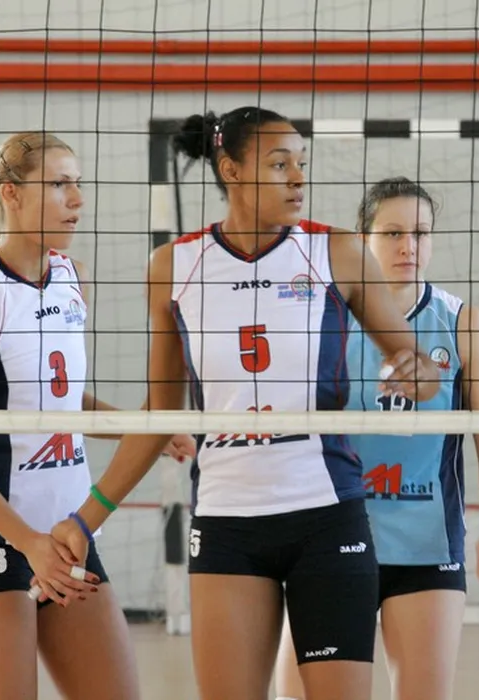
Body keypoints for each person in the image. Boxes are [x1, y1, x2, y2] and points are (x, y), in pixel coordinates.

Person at [50, 107, 443, 700]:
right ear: (230, 170)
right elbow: (160, 416)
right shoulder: (174, 266)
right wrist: (87, 518)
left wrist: (416, 373)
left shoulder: (336, 251)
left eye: (301, 164)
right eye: (279, 164)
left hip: (326, 514)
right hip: (228, 520)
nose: (298, 178)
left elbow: (419, 369)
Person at [0, 131, 190, 700]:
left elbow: (58, 399)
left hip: (68, 540)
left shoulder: (71, 276)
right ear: (11, 193)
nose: (77, 198)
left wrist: (140, 428)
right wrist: (28, 543)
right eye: (59, 184)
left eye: (77, 183)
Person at [273, 177, 479, 700]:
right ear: (363, 239)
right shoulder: (325, 320)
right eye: (393, 233)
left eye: (421, 233)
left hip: (425, 544)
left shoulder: (461, 324)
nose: (409, 246)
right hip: (331, 539)